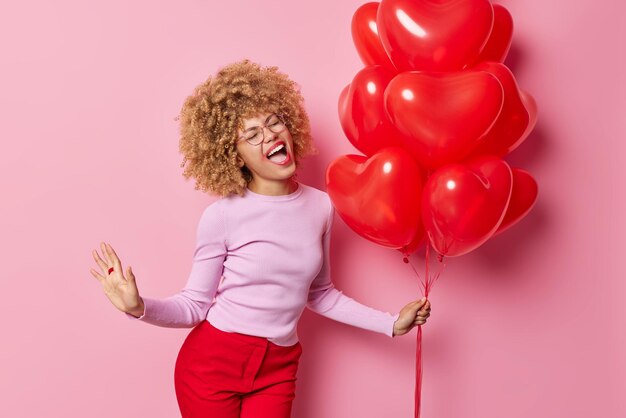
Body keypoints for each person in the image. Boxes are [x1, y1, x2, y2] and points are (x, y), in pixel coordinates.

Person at [89, 59, 431, 418]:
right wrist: (138, 307)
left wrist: (391, 323)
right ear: (233, 155)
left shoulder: (321, 206)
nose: (269, 136)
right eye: (251, 135)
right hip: (211, 367)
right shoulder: (223, 216)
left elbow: (319, 293)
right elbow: (193, 304)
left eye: (273, 123)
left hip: (278, 369)